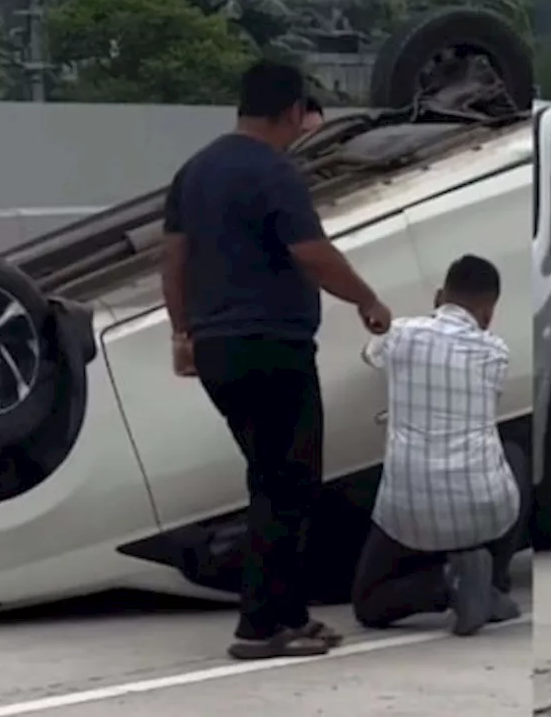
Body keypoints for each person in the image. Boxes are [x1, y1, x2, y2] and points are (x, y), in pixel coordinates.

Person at [160, 59, 392, 660]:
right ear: (292, 111)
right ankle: (260, 626)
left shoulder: (194, 172)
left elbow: (174, 261)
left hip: (217, 351)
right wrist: (366, 298)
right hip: (273, 346)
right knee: (289, 484)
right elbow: (311, 251)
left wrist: (183, 334)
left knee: (271, 479)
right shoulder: (274, 172)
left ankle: (288, 614)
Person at [351, 254, 526, 637]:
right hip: (481, 508)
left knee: (368, 603)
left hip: (409, 510)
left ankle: (447, 583)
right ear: (488, 312)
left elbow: (368, 354)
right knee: (512, 457)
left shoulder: (398, 335)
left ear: (438, 296)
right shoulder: (496, 353)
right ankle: (491, 581)